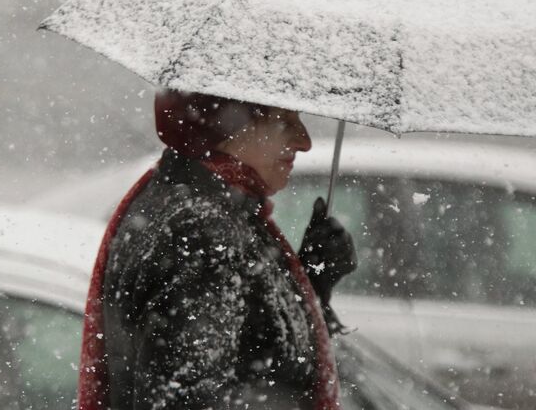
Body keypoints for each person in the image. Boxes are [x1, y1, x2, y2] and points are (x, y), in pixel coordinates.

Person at [77, 89, 357, 410]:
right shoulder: (201, 233)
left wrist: (312, 283)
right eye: (283, 121)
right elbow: (189, 397)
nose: (304, 141)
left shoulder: (205, 210)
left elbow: (256, 356)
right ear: (223, 127)